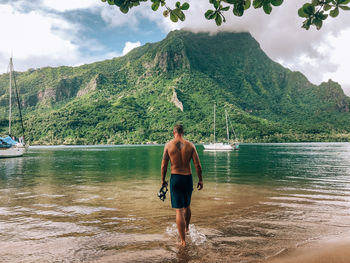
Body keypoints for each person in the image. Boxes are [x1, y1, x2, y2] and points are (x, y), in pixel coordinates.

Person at [161, 124, 203, 247]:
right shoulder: (190, 146)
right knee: (187, 205)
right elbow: (198, 165)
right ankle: (187, 229)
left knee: (178, 210)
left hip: (176, 177)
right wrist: (200, 180)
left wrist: (163, 180)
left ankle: (183, 241)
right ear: (182, 132)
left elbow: (163, 165)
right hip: (187, 178)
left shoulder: (168, 146)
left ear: (174, 132)